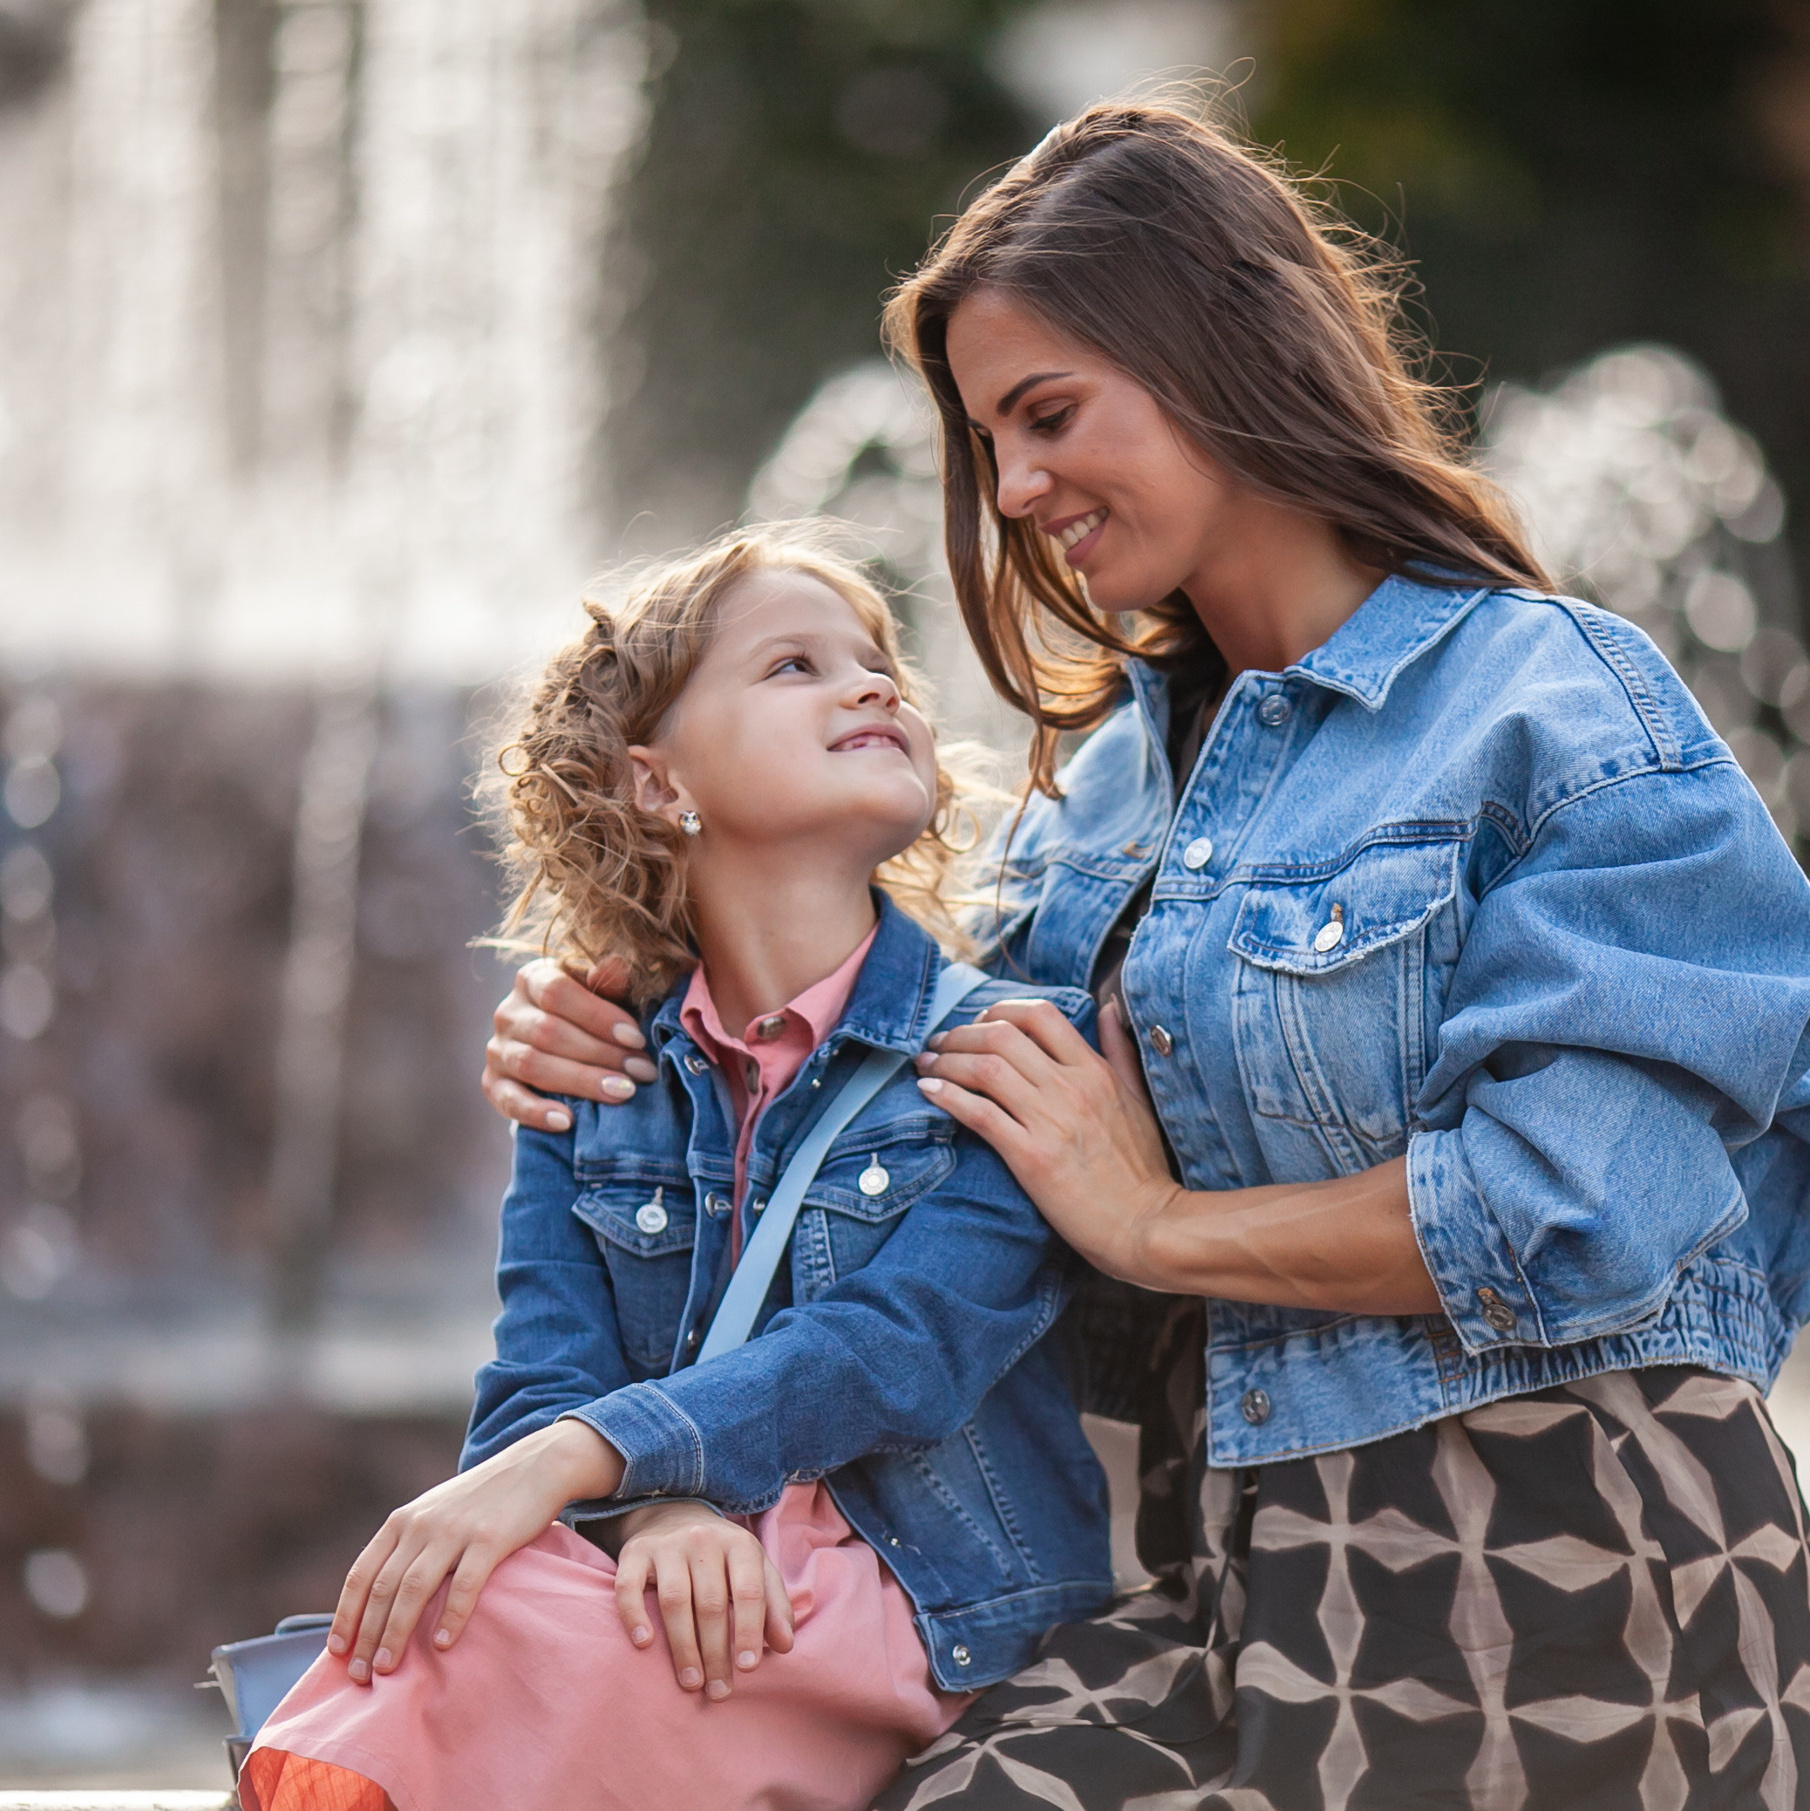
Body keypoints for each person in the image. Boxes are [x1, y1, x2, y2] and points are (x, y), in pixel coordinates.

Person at [483, 105, 1810, 1807]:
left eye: (1049, 416)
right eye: (989, 442)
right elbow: (903, 1126)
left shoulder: (1549, 700)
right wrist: (631, 1011)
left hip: (1567, 1571)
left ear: (1221, 354)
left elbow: (1579, 1199)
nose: (1013, 490)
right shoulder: (1106, 788)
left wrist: (1156, 1223)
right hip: (1225, 1576)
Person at [239, 531, 1113, 1811]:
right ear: (658, 783)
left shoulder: (1013, 1047)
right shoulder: (594, 1074)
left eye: (879, 662)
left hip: (922, 1598)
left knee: (484, 1634)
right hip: (672, 1571)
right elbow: (542, 1373)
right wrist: (657, 1509)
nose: (873, 683)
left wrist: (586, 1458)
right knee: (466, 1619)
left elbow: (899, 1346)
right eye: (795, 665)